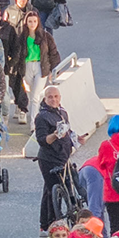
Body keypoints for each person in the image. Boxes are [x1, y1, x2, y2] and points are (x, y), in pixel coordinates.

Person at [35, 86, 79, 228]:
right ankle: (51, 224)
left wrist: (77, 139)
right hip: (48, 159)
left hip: (63, 156)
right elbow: (42, 140)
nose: (53, 100)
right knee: (52, 190)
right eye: (50, 97)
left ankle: (50, 222)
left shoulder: (62, 112)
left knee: (60, 189)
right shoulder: (41, 117)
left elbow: (67, 131)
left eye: (56, 96)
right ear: (44, 99)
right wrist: (54, 135)